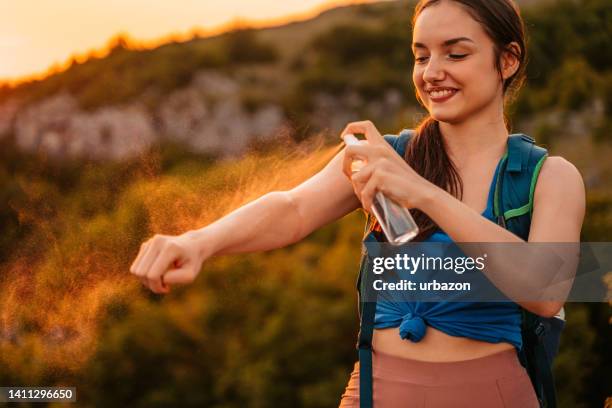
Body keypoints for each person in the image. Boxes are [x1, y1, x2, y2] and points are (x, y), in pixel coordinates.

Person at [129, 0, 585, 406]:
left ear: (507, 60)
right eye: (420, 56)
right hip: (375, 391)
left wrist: (423, 192)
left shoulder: (550, 178)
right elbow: (293, 209)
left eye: (456, 53)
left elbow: (545, 291)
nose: (431, 72)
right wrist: (199, 242)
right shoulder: (385, 156)